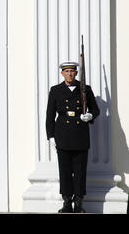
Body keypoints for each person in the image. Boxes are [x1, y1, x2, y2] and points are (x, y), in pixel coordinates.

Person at [46, 61, 100, 213]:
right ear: (62, 73)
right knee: (64, 171)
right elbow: (50, 115)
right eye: (66, 71)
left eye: (72, 71)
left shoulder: (85, 89)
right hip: (62, 134)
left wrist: (89, 115)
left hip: (80, 134)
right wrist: (50, 135)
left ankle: (79, 202)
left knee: (80, 171)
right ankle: (67, 202)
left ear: (76, 73)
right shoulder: (55, 90)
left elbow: (95, 109)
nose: (69, 74)